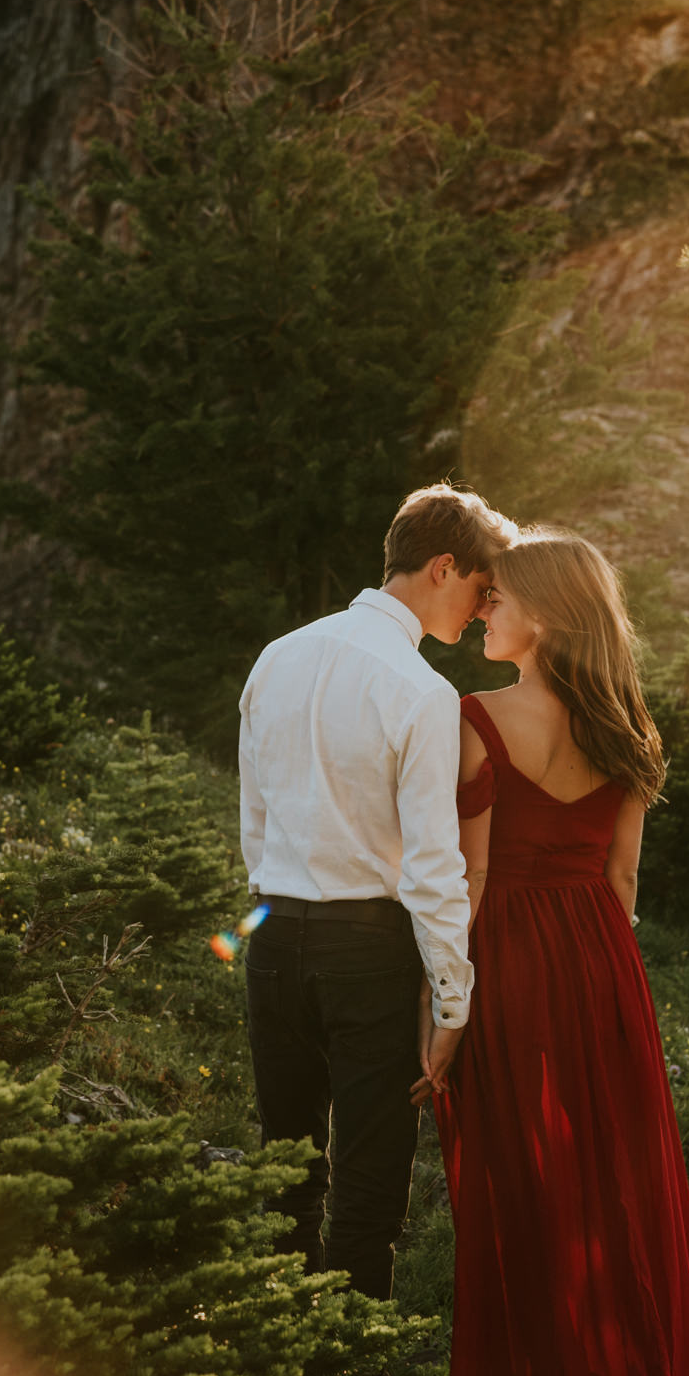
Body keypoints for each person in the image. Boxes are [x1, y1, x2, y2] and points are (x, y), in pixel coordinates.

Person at [430, 527, 689, 1376]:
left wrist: (444, 1019)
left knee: (522, 1188)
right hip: (604, 967)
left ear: (541, 614)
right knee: (616, 1192)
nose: (484, 610)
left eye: (498, 599)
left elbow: (473, 880)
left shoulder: (474, 716)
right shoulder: (625, 727)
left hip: (510, 961)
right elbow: (621, 883)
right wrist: (607, 989)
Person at [238, 483, 516, 1301]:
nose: (478, 610)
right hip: (366, 952)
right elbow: (435, 868)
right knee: (368, 1178)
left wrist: (267, 918)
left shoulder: (277, 655)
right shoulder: (421, 692)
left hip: (273, 939)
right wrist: (452, 1006)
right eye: (477, 587)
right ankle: (346, 1372)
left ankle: (276, 1353)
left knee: (284, 1164)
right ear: (442, 568)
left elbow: (254, 823)